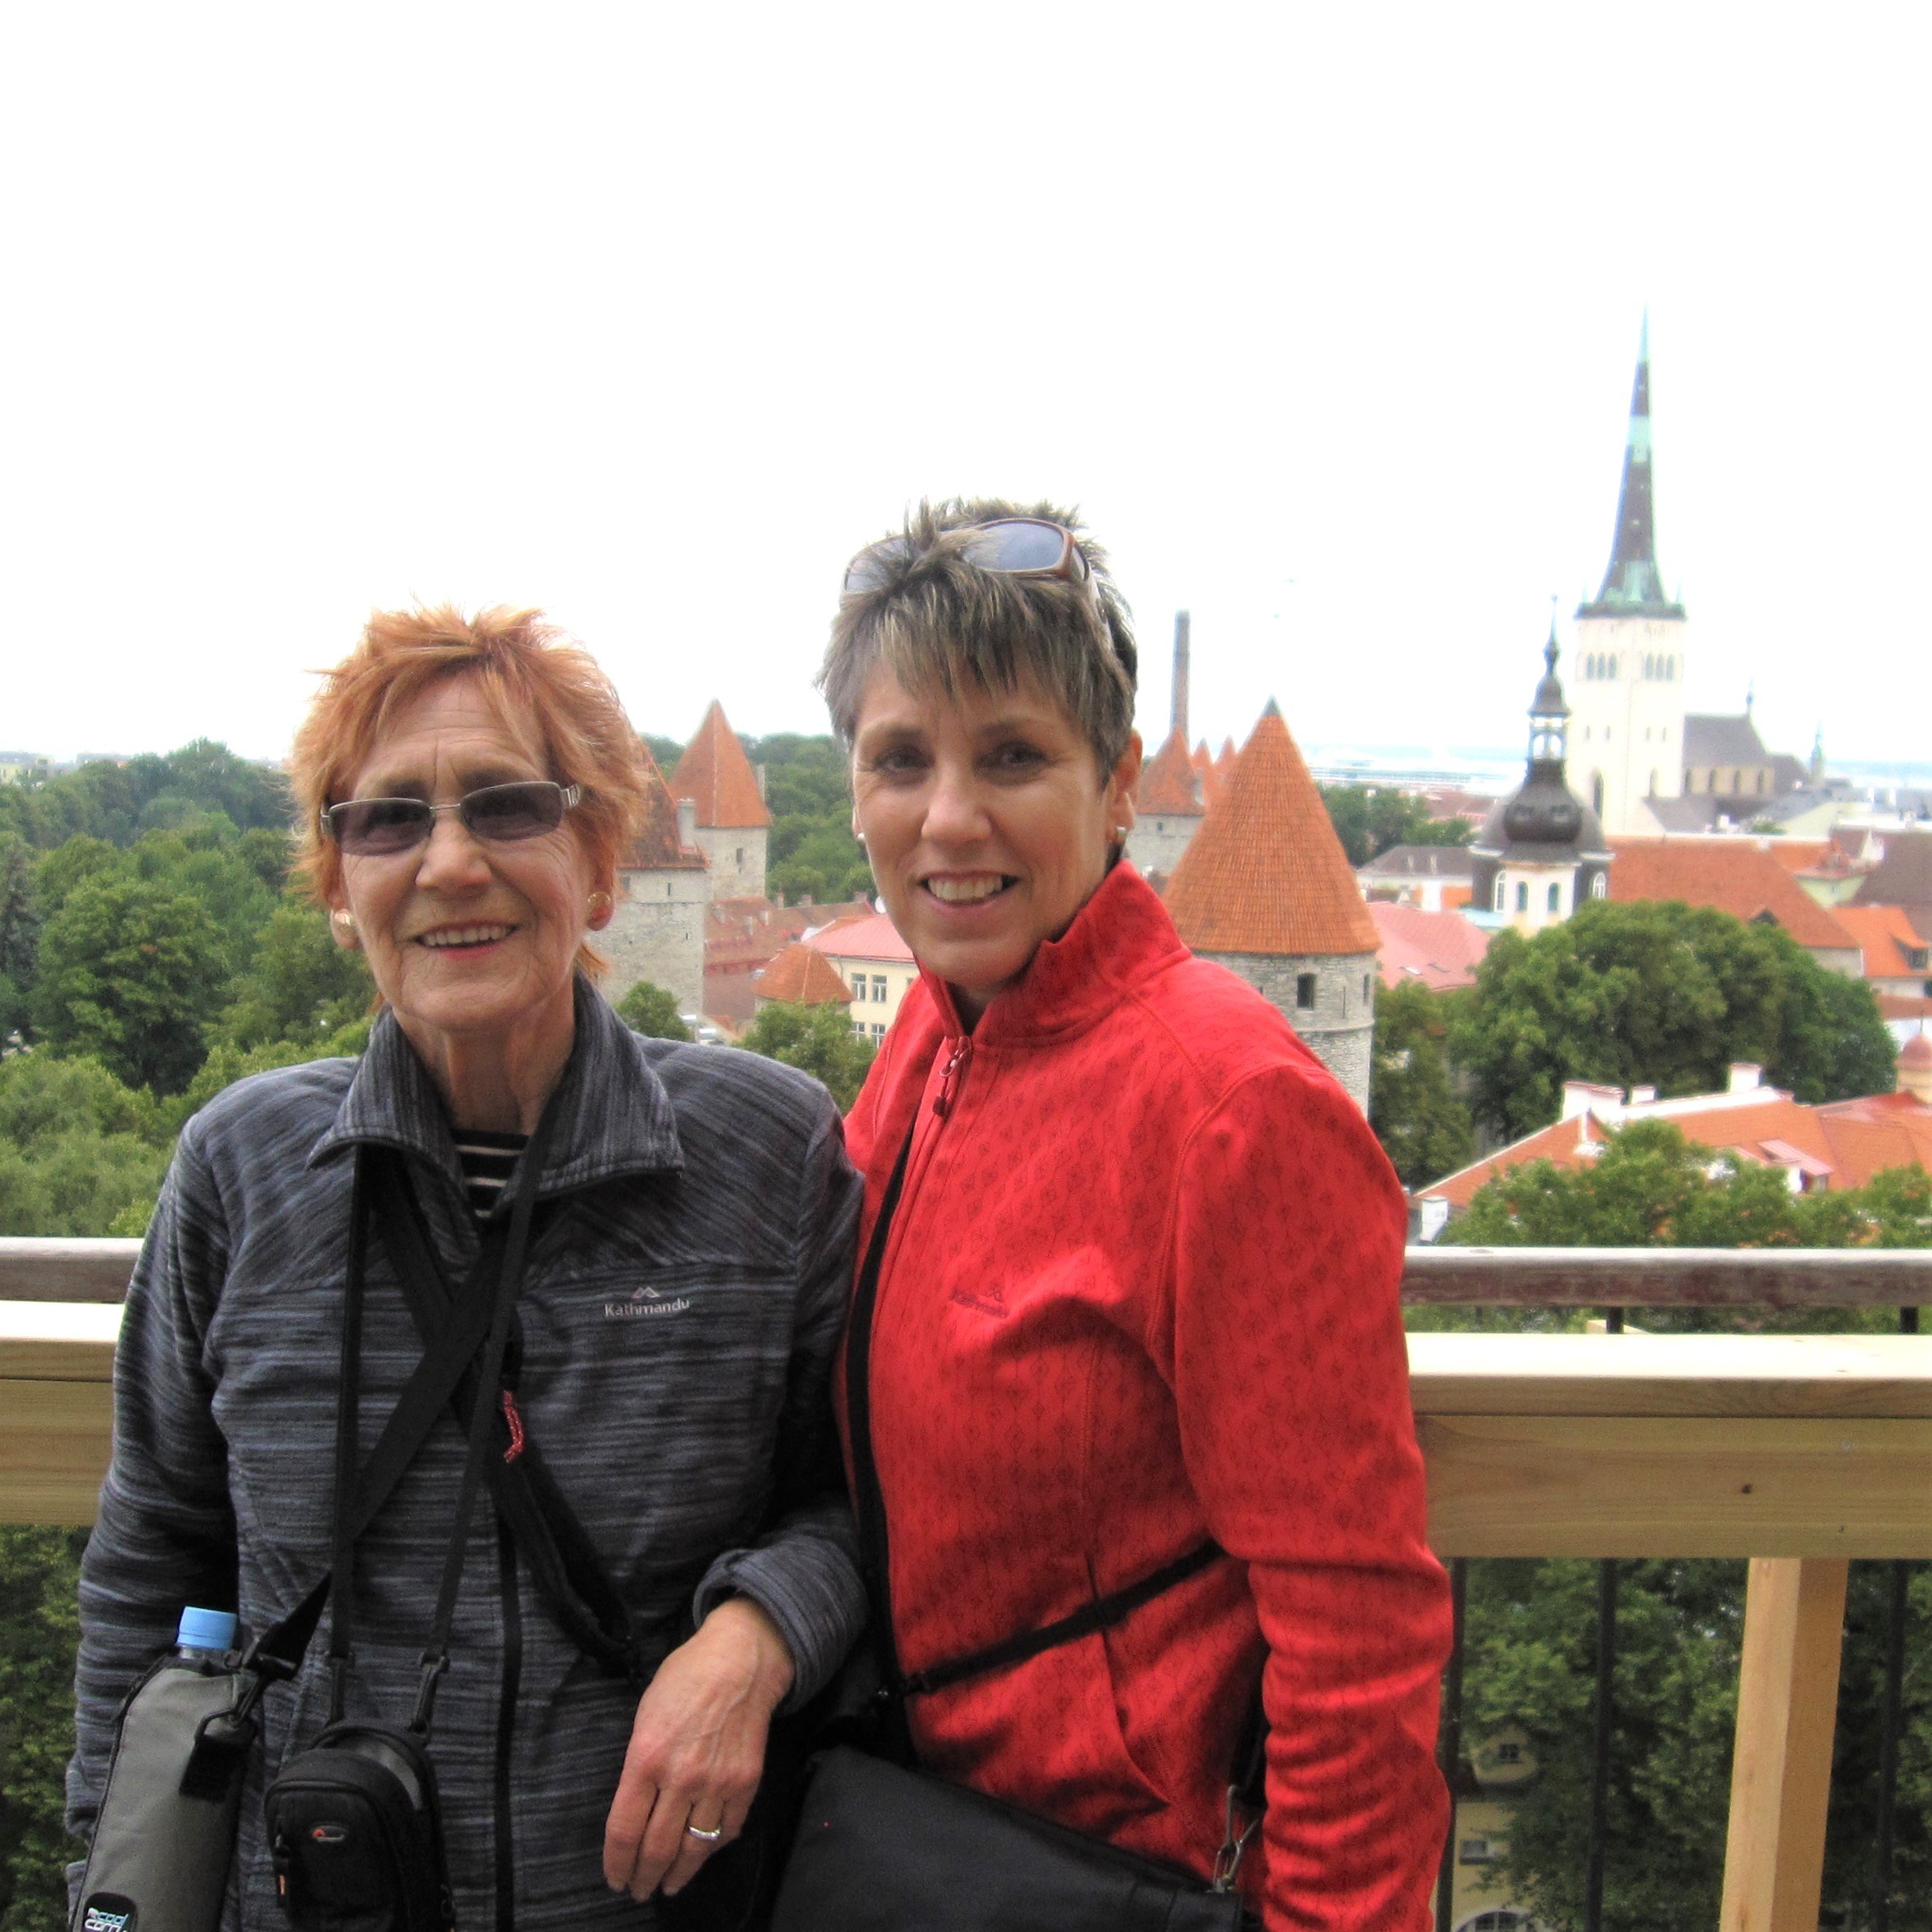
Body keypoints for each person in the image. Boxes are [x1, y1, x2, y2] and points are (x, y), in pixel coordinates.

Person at [69, 605, 866, 1927]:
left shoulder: (761, 1157)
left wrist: (756, 1633)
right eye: (385, 821)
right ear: (338, 889)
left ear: (602, 864)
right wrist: (115, 1893)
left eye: (507, 807)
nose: (448, 863)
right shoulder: (247, 1170)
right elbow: (151, 1562)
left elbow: (864, 1503)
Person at [820, 504, 1452, 1929]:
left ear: (1117, 792)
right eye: (902, 760)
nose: (949, 817)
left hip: (1134, 1881)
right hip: (948, 1850)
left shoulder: (1231, 1108)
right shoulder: (933, 1035)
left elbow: (1358, 1633)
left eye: (1014, 758)